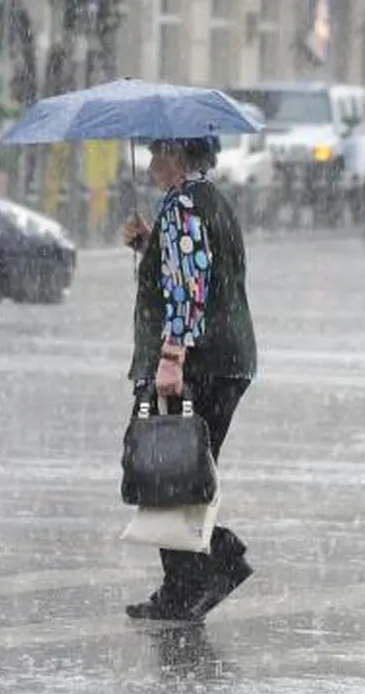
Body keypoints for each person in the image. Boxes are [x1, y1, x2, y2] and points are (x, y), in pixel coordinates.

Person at [119, 136, 258, 622]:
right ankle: (182, 586)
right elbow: (202, 267)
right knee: (183, 473)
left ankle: (214, 563)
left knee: (165, 471)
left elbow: (188, 289)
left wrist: (171, 357)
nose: (151, 163)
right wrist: (149, 244)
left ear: (178, 155)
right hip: (228, 359)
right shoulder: (209, 200)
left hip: (198, 363)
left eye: (157, 153)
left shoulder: (182, 206)